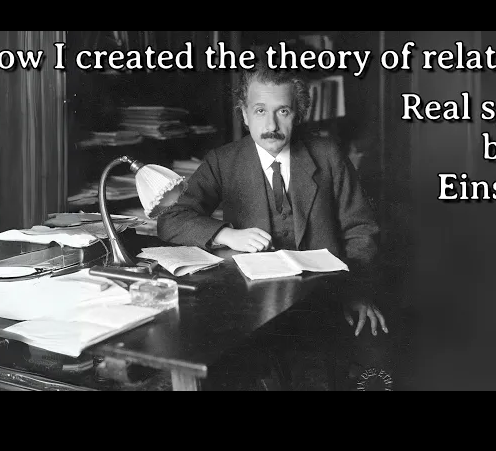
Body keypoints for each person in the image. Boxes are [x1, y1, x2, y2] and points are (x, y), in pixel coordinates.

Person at [157, 60, 394, 390]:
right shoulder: (223, 161)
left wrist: (355, 292)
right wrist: (226, 234)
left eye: (283, 111)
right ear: (244, 115)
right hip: (252, 309)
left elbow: (361, 229)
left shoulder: (327, 155)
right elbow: (171, 220)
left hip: (324, 302)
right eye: (260, 111)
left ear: (298, 114)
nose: (271, 125)